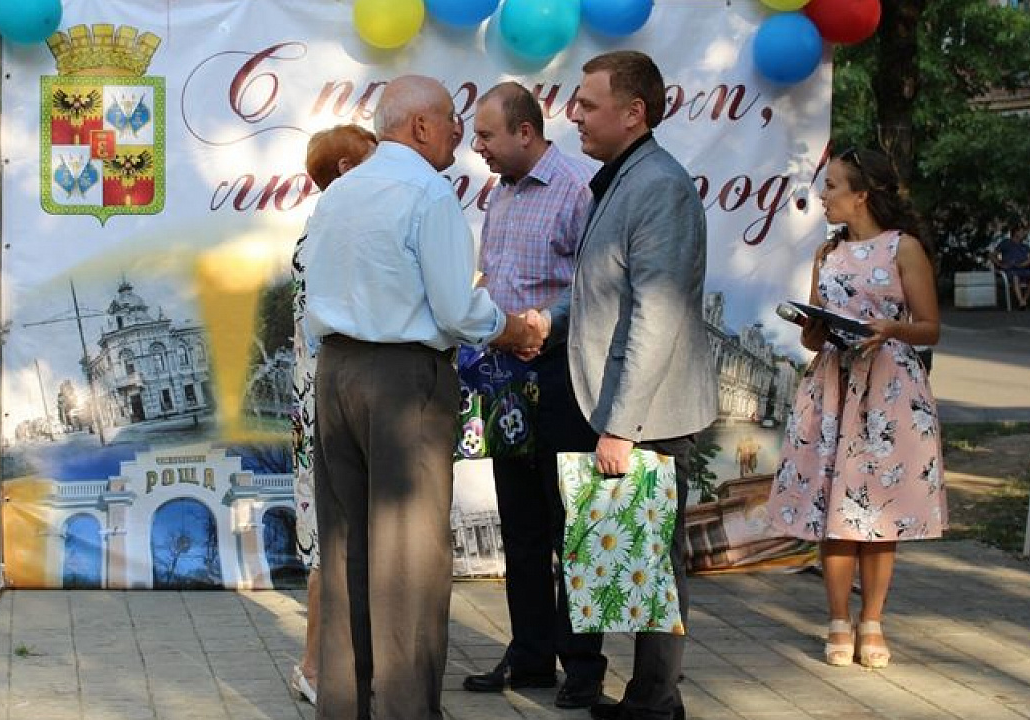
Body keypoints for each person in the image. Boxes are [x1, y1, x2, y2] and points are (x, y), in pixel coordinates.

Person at [301, 74, 542, 720]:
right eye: (451, 121)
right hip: (403, 381)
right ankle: (407, 710)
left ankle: (344, 705)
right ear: (421, 127)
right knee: (409, 561)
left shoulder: (340, 192)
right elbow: (459, 309)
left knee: (347, 546)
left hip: (338, 375)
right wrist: (515, 329)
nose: (458, 133)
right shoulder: (429, 194)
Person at [533, 50, 718, 720]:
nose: (574, 114)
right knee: (631, 555)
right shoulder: (625, 178)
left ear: (633, 112)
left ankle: (656, 703)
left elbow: (657, 311)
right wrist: (543, 326)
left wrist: (622, 424)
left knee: (654, 563)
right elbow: (603, 297)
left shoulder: (657, 184)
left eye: (587, 103)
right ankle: (650, 699)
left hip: (648, 412)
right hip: (622, 405)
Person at [767, 147, 947, 671]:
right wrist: (812, 328)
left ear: (861, 195)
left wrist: (892, 328)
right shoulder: (827, 253)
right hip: (832, 386)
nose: (822, 196)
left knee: (877, 511)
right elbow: (812, 336)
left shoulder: (903, 248)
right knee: (833, 509)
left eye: (832, 187)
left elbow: (930, 327)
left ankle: (872, 620)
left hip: (887, 390)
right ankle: (837, 622)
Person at [459, 81, 600, 705]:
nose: (477, 146)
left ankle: (584, 666)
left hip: (561, 375)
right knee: (519, 523)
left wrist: (544, 323)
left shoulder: (575, 192)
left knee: (571, 521)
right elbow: (495, 275)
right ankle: (531, 656)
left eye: (486, 135)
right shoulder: (502, 196)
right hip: (504, 381)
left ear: (524, 132)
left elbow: (594, 285)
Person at [289, 123, 378, 706]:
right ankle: (316, 668)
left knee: (333, 542)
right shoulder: (337, 234)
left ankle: (325, 666)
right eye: (374, 160)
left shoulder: (318, 230)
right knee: (332, 543)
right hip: (328, 402)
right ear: (347, 170)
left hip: (318, 402)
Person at [992, 226, 1030, 308]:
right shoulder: (1006, 243)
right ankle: (1020, 301)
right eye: (1021, 232)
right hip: (1010, 270)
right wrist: (1000, 264)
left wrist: (1025, 263)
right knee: (1015, 277)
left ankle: (1024, 299)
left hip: (1022, 268)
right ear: (1016, 233)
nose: (1023, 234)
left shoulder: (1024, 246)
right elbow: (992, 255)